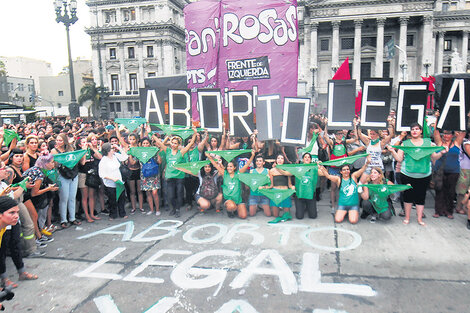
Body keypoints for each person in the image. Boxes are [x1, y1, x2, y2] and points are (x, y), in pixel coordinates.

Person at [387, 123, 442, 226]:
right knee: (407, 197)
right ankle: (407, 218)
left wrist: (441, 153)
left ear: (421, 131)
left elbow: (434, 157)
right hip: (407, 174)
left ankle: (419, 219)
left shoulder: (428, 143)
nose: (414, 131)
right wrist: (392, 151)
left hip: (424, 175)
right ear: (410, 132)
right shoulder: (405, 144)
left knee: (421, 197)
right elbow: (399, 159)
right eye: (412, 129)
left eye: (417, 129)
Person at [153, 127, 197, 218]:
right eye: (172, 143)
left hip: (180, 177)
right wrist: (151, 134)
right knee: (171, 195)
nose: (173, 144)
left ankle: (177, 209)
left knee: (179, 194)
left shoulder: (181, 152)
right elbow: (159, 142)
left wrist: (195, 133)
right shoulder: (167, 151)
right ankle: (173, 208)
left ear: (178, 144)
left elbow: (191, 143)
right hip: (170, 177)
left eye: (175, 143)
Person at [319, 157, 370, 224]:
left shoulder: (353, 176)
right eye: (344, 170)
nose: (346, 171)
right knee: (337, 220)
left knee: (353, 221)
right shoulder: (338, 179)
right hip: (342, 205)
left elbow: (362, 169)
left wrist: (367, 163)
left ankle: (351, 212)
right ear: (341, 172)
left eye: (347, 169)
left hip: (353, 205)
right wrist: (321, 167)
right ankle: (345, 212)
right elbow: (328, 176)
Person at [206, 150, 255, 219]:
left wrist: (252, 155)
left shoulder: (238, 173)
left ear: (234, 167)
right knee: (231, 206)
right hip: (228, 199)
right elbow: (215, 165)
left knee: (243, 216)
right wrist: (209, 157)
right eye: (228, 166)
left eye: (231, 166)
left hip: (238, 200)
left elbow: (247, 164)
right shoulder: (224, 173)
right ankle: (230, 210)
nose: (229, 168)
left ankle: (235, 209)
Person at [432, 129, 464, 219]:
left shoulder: (456, 143)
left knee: (450, 192)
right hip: (439, 171)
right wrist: (437, 117)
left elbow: (463, 131)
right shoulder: (439, 143)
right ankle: (438, 211)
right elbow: (436, 131)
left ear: (453, 135)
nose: (445, 136)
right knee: (439, 190)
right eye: (444, 134)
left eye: (448, 134)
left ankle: (449, 211)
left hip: (453, 171)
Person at [51, 133, 80, 228]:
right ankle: (63, 219)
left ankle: (72, 217)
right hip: (62, 175)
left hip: (73, 175)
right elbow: (54, 164)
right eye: (57, 140)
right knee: (64, 198)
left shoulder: (70, 148)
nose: (58, 142)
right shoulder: (54, 151)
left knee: (72, 197)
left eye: (61, 140)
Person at [98, 143, 129, 220]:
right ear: (108, 151)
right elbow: (102, 174)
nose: (113, 149)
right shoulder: (104, 160)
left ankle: (122, 213)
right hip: (110, 183)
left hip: (119, 181)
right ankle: (113, 214)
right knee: (112, 199)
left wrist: (119, 148)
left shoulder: (115, 156)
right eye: (112, 148)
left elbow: (125, 157)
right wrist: (112, 179)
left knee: (121, 198)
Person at [261, 154, 295, 221]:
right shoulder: (272, 171)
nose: (280, 160)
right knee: (275, 215)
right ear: (276, 160)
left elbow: (289, 184)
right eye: (278, 158)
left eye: (282, 158)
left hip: (285, 192)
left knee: (287, 215)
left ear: (284, 160)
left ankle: (283, 208)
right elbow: (271, 185)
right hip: (275, 192)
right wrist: (264, 187)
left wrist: (292, 187)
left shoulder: (287, 169)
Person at [139, 137, 162, 216]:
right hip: (145, 175)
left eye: (147, 143)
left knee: (155, 193)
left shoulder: (154, 151)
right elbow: (133, 162)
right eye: (144, 143)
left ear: (149, 144)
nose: (145, 145)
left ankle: (157, 209)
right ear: (141, 144)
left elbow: (159, 161)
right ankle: (152, 209)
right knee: (148, 193)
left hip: (154, 174)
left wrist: (158, 152)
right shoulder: (140, 152)